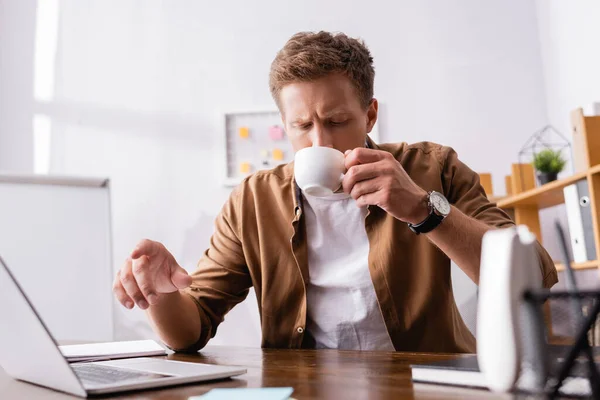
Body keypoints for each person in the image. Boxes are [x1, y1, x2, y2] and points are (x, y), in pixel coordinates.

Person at [113, 31, 557, 353]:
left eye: (337, 120)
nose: (320, 142)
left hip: (422, 384)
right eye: (302, 126)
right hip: (304, 385)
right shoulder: (252, 201)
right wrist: (161, 294)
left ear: (370, 114)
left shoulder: (431, 166)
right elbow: (192, 331)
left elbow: (532, 274)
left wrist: (423, 209)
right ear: (284, 126)